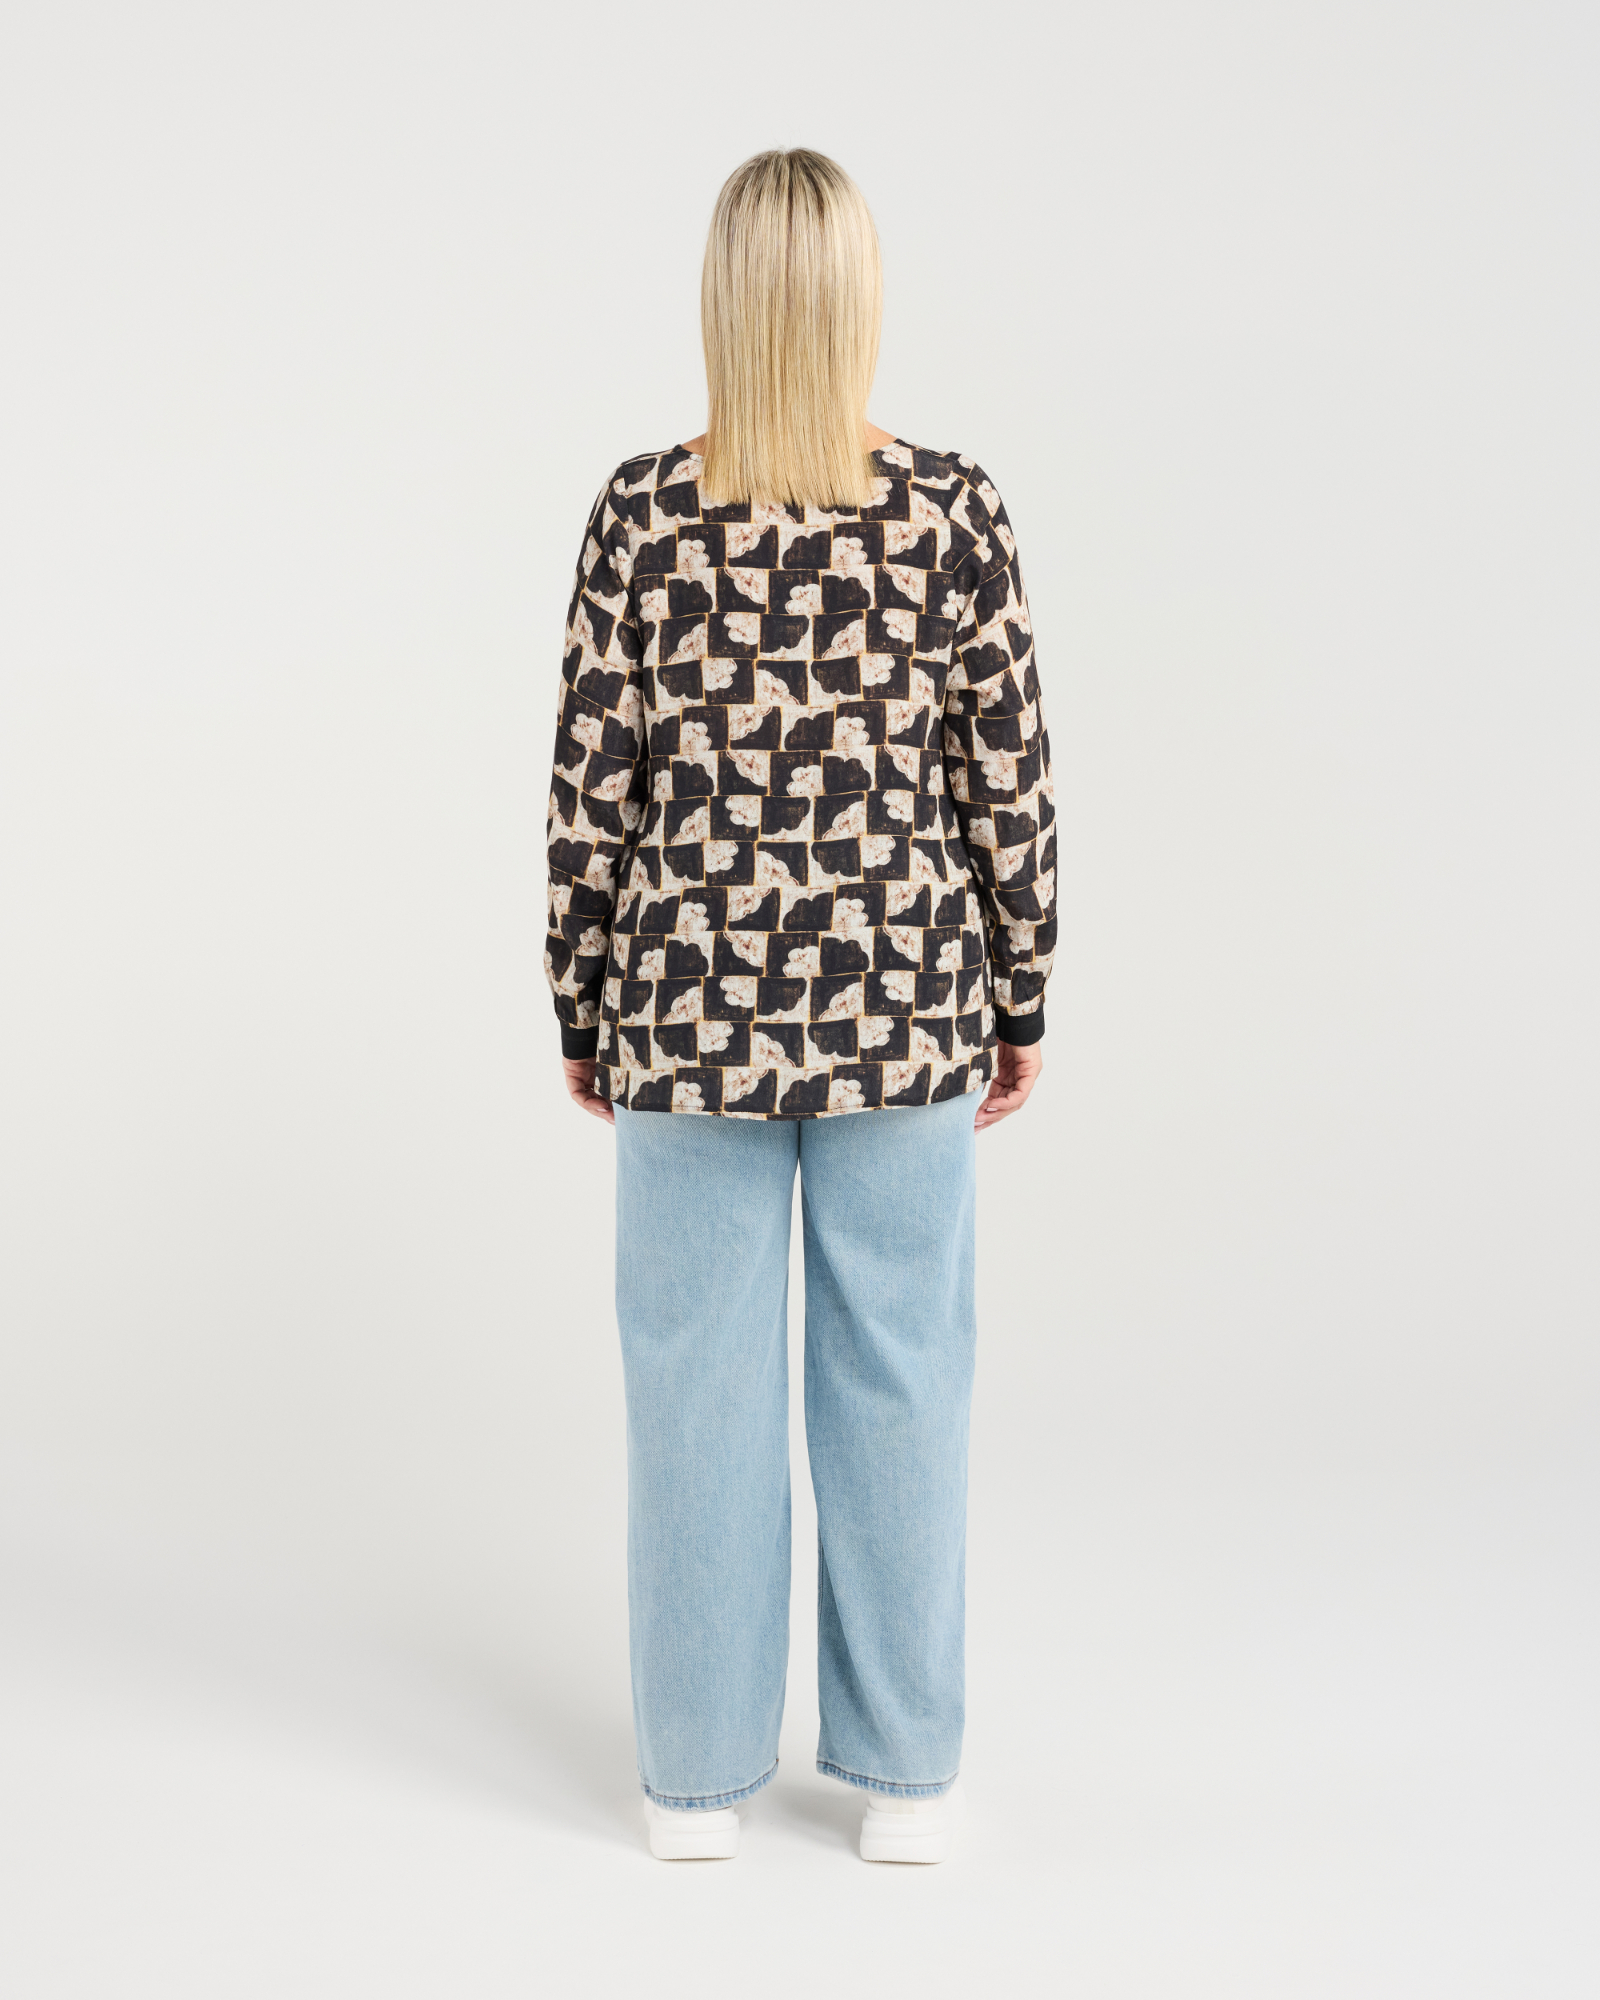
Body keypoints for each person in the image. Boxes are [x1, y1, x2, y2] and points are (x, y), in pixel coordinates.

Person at [544, 148, 1054, 1864]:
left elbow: (590, 791)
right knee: (901, 1378)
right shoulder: (952, 513)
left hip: (687, 1013)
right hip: (905, 1008)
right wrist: (1021, 984)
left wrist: (582, 1001)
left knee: (693, 1388)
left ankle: (691, 1784)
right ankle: (909, 1782)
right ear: (858, 300)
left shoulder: (640, 515)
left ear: (721, 299)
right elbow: (1007, 782)